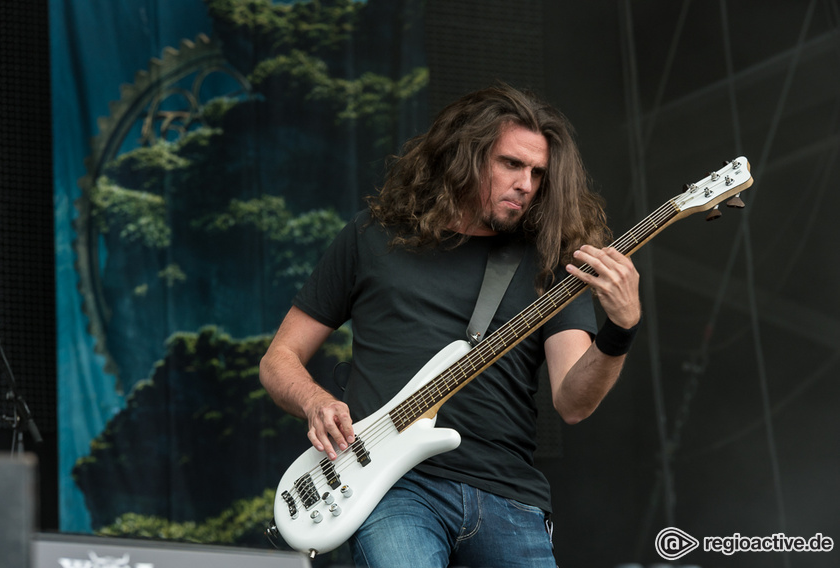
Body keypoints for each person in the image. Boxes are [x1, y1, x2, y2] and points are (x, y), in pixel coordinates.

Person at [260, 83, 641, 567]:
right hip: (392, 489)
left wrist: (620, 330)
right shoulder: (372, 238)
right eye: (510, 164)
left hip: (509, 496)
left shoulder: (550, 266)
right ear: (464, 155)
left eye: (538, 172)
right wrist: (316, 402)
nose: (526, 183)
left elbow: (573, 402)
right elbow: (279, 358)